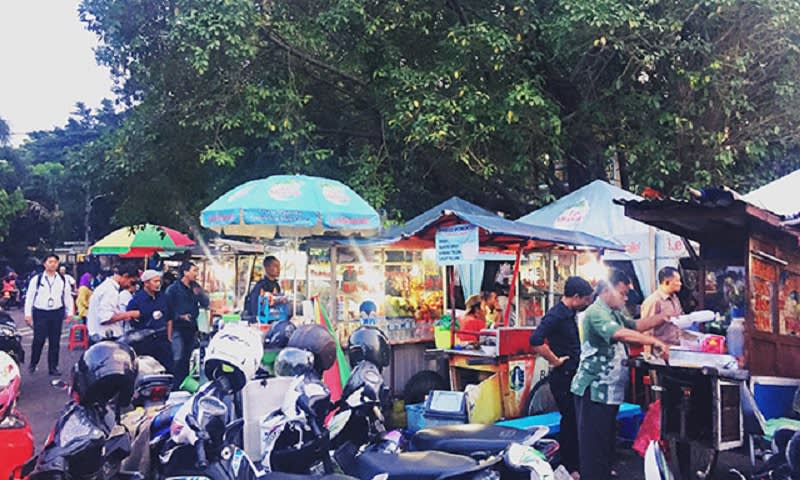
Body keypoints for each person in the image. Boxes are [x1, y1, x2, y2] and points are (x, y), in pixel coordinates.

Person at [571, 273, 671, 480]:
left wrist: (663, 318)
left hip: (609, 392)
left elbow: (635, 326)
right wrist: (654, 342)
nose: (626, 299)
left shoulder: (613, 313)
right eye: (623, 294)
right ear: (609, 290)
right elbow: (620, 334)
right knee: (594, 451)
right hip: (594, 391)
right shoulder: (596, 312)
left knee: (606, 446)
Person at [529, 276, 594, 478]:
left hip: (574, 374)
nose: (587, 304)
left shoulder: (570, 314)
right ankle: (570, 466)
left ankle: (577, 464)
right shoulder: (556, 315)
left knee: (576, 420)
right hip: (563, 376)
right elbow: (535, 340)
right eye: (585, 300)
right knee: (570, 421)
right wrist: (555, 360)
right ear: (576, 297)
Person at [23, 254, 75, 375]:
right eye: (50, 262)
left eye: (55, 262)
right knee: (39, 339)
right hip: (40, 312)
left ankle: (53, 367)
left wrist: (70, 312)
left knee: (55, 341)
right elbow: (29, 297)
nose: (53, 264)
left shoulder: (62, 279)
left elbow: (67, 296)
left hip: (56, 312)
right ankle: (33, 363)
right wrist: (28, 314)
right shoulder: (37, 279)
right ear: (44, 264)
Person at [165, 262, 209, 388]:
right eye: (194, 271)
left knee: (187, 358)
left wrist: (200, 293)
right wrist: (179, 316)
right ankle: (174, 386)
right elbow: (168, 310)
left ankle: (184, 384)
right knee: (177, 357)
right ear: (185, 272)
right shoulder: (173, 290)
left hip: (191, 328)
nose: (196, 274)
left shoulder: (195, 288)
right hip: (177, 328)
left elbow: (205, 303)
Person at [127, 270, 173, 372]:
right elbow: (132, 321)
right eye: (155, 281)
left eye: (159, 281)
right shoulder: (137, 300)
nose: (158, 284)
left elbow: (169, 317)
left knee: (168, 368)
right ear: (146, 283)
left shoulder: (163, 297)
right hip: (145, 341)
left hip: (162, 339)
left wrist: (169, 337)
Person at [87, 263, 140, 342]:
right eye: (132, 282)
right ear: (125, 276)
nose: (130, 286)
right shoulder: (110, 290)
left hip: (100, 335)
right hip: (105, 337)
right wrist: (130, 314)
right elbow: (105, 317)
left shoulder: (107, 287)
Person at [641, 266, 684, 345]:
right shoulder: (653, 301)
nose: (680, 284)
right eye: (677, 281)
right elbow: (646, 330)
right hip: (660, 350)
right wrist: (648, 355)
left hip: (676, 347)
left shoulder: (675, 298)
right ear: (666, 282)